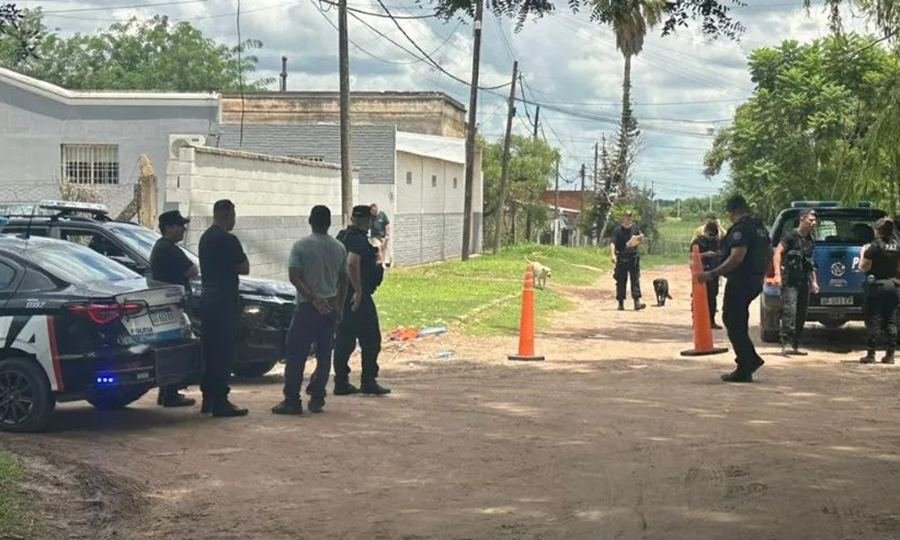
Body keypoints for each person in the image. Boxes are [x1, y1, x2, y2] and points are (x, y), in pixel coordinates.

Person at [272, 206, 347, 415]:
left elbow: (294, 276)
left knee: (296, 354)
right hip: (330, 304)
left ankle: (292, 399)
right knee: (325, 353)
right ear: (329, 223)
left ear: (310, 221)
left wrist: (313, 298)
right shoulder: (339, 247)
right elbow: (344, 279)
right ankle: (317, 395)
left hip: (308, 306)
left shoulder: (301, 246)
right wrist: (339, 306)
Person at [700, 195, 773, 383]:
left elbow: (737, 258)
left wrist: (712, 274)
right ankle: (748, 361)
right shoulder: (760, 227)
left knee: (732, 321)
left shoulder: (742, 229)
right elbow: (768, 253)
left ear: (734, 211)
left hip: (741, 280)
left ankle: (746, 363)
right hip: (755, 280)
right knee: (739, 320)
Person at [198, 199, 250, 417]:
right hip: (225, 300)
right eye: (234, 216)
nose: (234, 221)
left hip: (207, 298)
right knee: (224, 351)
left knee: (210, 351)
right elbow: (244, 267)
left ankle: (208, 398)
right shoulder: (228, 239)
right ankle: (221, 400)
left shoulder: (205, 238)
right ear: (227, 215)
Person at [333, 205, 390, 396]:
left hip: (342, 295)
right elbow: (352, 262)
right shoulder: (357, 240)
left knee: (345, 339)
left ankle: (341, 382)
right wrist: (358, 290)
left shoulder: (342, 237)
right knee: (371, 339)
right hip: (358, 296)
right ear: (366, 221)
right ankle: (368, 381)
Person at [150, 210, 199, 408]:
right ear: (169, 227)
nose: (183, 229)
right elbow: (193, 270)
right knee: (175, 347)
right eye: (180, 225)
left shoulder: (162, 247)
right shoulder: (168, 249)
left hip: (167, 303)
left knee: (171, 347)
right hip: (172, 305)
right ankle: (170, 393)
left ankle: (168, 391)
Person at [772, 209, 819, 356]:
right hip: (790, 280)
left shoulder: (810, 239)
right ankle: (786, 343)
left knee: (801, 313)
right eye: (811, 220)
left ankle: (795, 344)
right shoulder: (791, 236)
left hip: (804, 280)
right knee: (789, 311)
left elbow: (810, 263)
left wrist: (814, 282)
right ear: (802, 219)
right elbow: (777, 253)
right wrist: (777, 275)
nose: (814, 223)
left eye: (814, 220)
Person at [858, 217, 900, 365]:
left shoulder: (875, 246)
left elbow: (864, 267)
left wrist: (863, 253)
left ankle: (871, 354)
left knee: (874, 319)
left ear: (878, 230)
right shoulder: (897, 245)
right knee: (891, 320)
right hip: (894, 285)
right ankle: (890, 355)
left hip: (878, 285)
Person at [610, 211, 646, 311]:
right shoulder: (617, 230)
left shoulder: (635, 229)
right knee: (621, 280)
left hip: (633, 257)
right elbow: (613, 242)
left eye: (630, 218)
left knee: (635, 279)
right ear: (623, 218)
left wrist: (641, 239)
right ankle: (620, 303)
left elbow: (641, 241)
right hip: (621, 257)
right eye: (626, 217)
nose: (628, 220)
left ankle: (637, 302)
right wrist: (613, 255)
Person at [691, 220, 723, 329]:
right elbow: (692, 255)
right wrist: (705, 254)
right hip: (700, 271)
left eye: (713, 235)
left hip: (713, 272)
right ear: (706, 231)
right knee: (698, 297)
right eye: (710, 235)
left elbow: (723, 252)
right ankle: (697, 321)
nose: (711, 237)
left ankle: (711, 321)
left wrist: (719, 254)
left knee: (712, 297)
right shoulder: (698, 242)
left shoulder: (717, 242)